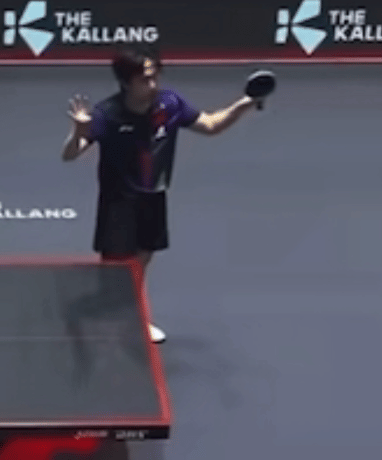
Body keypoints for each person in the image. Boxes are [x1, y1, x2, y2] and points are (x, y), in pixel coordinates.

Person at [62, 46, 263, 343]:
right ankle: (117, 312)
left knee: (143, 260)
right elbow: (70, 154)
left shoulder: (170, 104)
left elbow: (210, 125)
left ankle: (134, 318)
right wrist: (79, 131)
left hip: (154, 196)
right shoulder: (108, 114)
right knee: (116, 270)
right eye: (145, 80)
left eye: (155, 77)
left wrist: (246, 103)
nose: (153, 84)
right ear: (126, 82)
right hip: (118, 202)